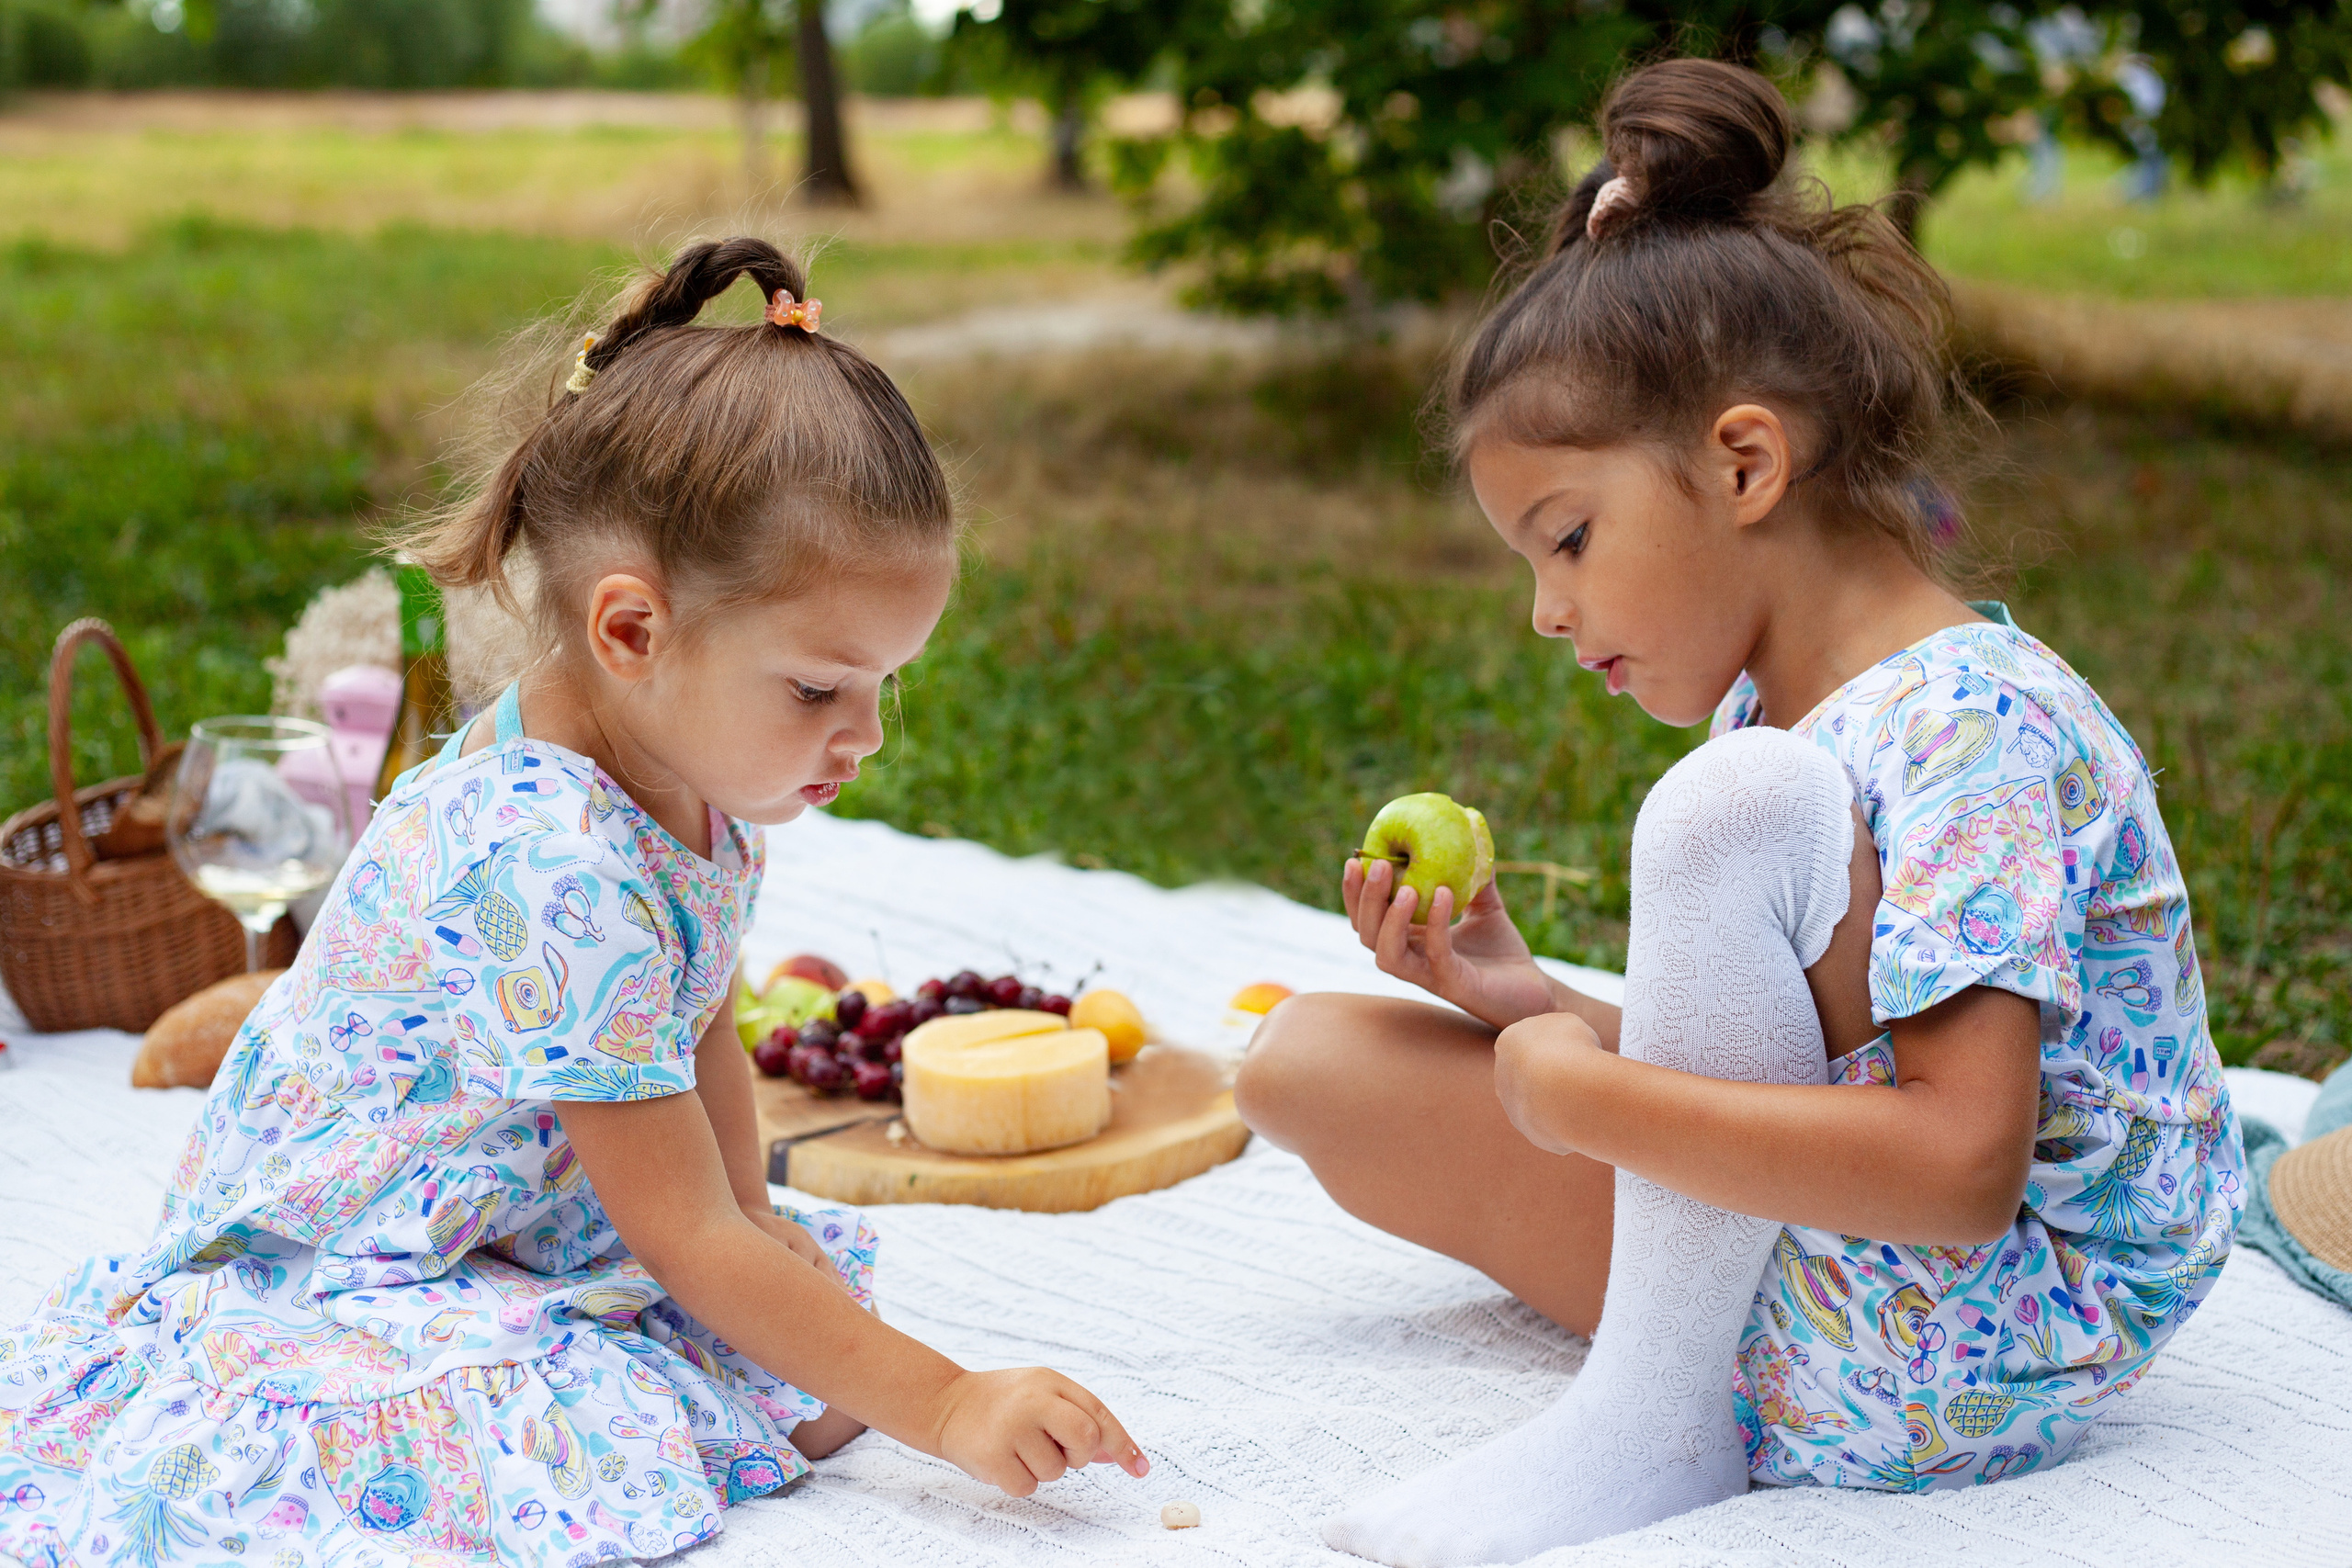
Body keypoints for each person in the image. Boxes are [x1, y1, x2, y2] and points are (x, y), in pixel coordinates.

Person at [0, 237, 1146, 1568]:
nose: (866, 735)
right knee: (556, 1426)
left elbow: (697, 1022)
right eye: (820, 689)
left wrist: (756, 1236)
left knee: (781, 1319)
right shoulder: (547, 862)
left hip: (530, 1201)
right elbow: (685, 1229)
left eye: (887, 686)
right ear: (631, 632)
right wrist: (942, 1400)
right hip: (354, 1255)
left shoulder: (689, 778)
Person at [1236, 61, 2243, 1568]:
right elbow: (1793, 1066)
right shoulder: (1771, 716)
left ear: (1746, 461)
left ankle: (1652, 1421)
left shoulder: (1970, 728)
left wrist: (1585, 1100)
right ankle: (1695, 1374)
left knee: (1732, 810)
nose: (1543, 609)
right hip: (1859, 1267)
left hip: (1985, 1328)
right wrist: (1526, 1002)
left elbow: (1965, 1173)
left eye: (1566, 539)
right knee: (1303, 1063)